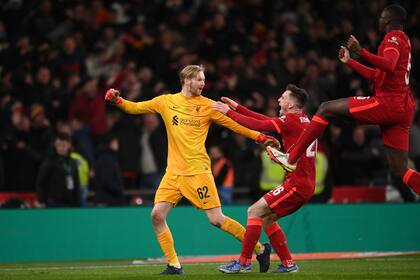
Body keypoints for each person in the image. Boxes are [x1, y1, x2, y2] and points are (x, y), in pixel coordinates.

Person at [104, 65, 279, 275]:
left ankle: (260, 249)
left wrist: (260, 137)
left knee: (217, 220)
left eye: (204, 80)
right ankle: (174, 265)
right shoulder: (166, 102)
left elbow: (233, 124)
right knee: (157, 216)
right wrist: (117, 100)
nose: (203, 84)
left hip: (198, 172)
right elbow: (136, 108)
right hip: (173, 174)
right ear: (187, 80)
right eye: (199, 80)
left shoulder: (208, 106)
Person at [268, 4, 420, 196]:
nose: (379, 20)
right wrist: (351, 62)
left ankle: (291, 158)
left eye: (382, 17)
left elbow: (388, 65)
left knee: (325, 108)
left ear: (388, 20)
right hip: (403, 108)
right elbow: (379, 75)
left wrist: (361, 51)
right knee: (400, 169)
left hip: (389, 103)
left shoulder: (393, 38)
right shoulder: (404, 40)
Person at [213, 84, 316, 273]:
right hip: (302, 184)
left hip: (297, 184)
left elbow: (259, 125)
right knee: (266, 219)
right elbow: (265, 120)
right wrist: (238, 107)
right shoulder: (302, 121)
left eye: (283, 97)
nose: (279, 99)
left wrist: (228, 112)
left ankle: (244, 263)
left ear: (292, 105)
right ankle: (288, 264)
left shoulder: (291, 121)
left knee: (254, 211)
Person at [35, 132, 81, 207]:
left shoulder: (72, 162)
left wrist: (78, 202)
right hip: (53, 202)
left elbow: (77, 184)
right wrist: (41, 200)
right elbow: (40, 182)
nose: (60, 148)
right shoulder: (49, 161)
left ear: (69, 145)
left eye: (63, 145)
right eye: (58, 145)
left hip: (70, 202)